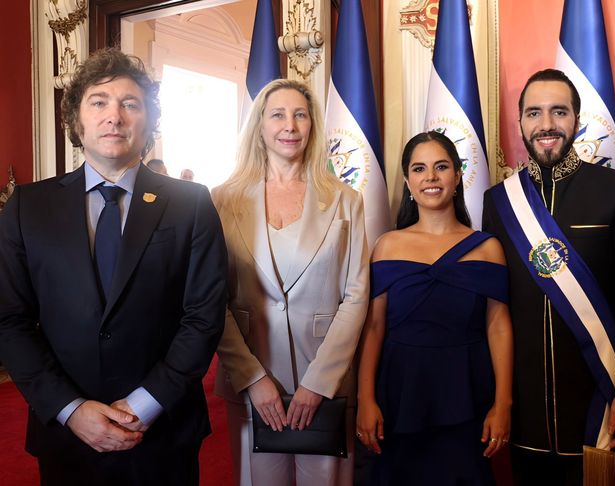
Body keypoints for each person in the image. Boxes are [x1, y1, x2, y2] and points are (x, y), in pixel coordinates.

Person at [0, 48, 227, 485]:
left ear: (148, 121)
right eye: (99, 102)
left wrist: (144, 404)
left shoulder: (190, 203)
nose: (114, 116)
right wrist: (71, 409)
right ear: (76, 120)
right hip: (67, 435)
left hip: (163, 432)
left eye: (130, 103)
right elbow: (10, 321)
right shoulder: (29, 207)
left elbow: (203, 318)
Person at [482, 69, 615, 485]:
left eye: (559, 112)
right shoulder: (499, 202)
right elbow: (493, 306)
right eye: (534, 113)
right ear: (520, 123)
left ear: (576, 120)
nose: (546, 124)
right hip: (522, 402)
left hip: (598, 394)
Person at [212, 78, 369, 486]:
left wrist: (319, 382)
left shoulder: (345, 200)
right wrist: (252, 378)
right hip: (251, 377)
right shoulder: (221, 200)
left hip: (325, 380)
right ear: (259, 125)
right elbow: (212, 299)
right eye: (278, 114)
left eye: (300, 115)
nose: (290, 126)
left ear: (313, 125)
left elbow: (356, 295)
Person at [357, 131, 513, 485]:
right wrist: (366, 398)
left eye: (441, 167)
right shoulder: (387, 245)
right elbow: (374, 327)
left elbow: (498, 326)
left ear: (457, 176)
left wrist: (503, 403)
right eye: (419, 168)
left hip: (467, 392)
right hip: (400, 392)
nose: (430, 177)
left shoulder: (488, 248)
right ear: (408, 181)